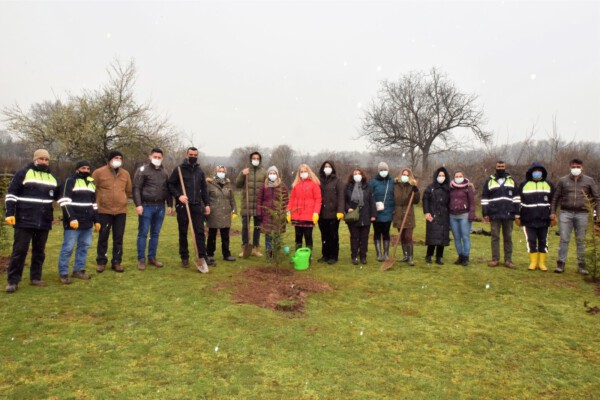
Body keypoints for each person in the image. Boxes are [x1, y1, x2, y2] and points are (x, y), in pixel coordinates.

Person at [4, 149, 58, 293]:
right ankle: (13, 281)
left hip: (44, 220)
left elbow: (58, 196)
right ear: (35, 159)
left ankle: (35, 277)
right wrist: (9, 213)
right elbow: (11, 194)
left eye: (46, 159)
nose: (44, 162)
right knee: (19, 251)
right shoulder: (23, 173)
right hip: (24, 219)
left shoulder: (52, 177)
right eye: (41, 159)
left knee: (39, 251)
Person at [550, 158, 600, 274]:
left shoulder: (589, 181)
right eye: (573, 167)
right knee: (564, 239)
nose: (576, 169)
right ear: (570, 167)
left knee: (581, 240)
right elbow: (555, 198)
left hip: (582, 213)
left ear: (582, 168)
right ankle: (560, 264)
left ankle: (582, 266)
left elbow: (596, 198)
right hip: (565, 213)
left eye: (578, 167)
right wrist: (553, 212)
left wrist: (598, 213)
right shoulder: (562, 180)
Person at [57, 160, 100, 284]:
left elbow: (94, 204)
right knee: (68, 248)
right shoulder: (70, 181)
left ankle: (79, 270)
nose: (86, 170)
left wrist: (97, 220)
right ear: (77, 169)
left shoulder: (91, 183)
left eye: (87, 168)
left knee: (84, 247)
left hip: (87, 223)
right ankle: (63, 273)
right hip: (74, 222)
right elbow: (64, 201)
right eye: (83, 168)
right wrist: (71, 218)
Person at [168, 147, 211, 268]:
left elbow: (204, 189)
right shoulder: (179, 170)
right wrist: (179, 196)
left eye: (195, 155)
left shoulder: (199, 171)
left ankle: (202, 256)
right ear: (186, 155)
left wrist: (206, 204)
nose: (193, 156)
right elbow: (170, 185)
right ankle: (184, 257)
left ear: (197, 156)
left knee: (200, 231)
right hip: (183, 205)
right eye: (190, 154)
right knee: (183, 231)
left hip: (197, 205)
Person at [133, 148, 173, 271]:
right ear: (150, 156)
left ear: (162, 158)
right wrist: (138, 204)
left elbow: (167, 189)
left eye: (159, 157)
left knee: (155, 233)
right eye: (155, 156)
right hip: (146, 206)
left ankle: (152, 258)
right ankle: (141, 259)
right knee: (143, 233)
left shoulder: (165, 172)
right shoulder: (142, 170)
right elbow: (136, 188)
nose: (157, 159)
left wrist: (170, 204)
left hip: (160, 207)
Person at [92, 150, 132, 273]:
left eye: (120, 158)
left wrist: (122, 200)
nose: (118, 160)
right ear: (109, 160)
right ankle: (101, 261)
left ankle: (117, 262)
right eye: (116, 157)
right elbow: (92, 189)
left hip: (120, 211)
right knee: (103, 236)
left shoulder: (125, 174)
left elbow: (128, 190)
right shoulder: (98, 173)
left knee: (118, 237)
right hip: (104, 210)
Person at [481, 161, 520, 268]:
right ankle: (495, 259)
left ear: (505, 167)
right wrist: (485, 213)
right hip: (494, 214)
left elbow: (517, 198)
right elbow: (485, 198)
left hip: (509, 214)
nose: (500, 168)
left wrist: (517, 212)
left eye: (502, 166)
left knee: (508, 237)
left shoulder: (511, 180)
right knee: (495, 237)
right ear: (495, 167)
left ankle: (508, 260)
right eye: (498, 166)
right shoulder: (489, 181)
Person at [516, 163, 555, 271]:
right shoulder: (524, 184)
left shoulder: (549, 185)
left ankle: (542, 263)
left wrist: (553, 216)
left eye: (539, 171)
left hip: (544, 218)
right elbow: (518, 201)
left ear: (543, 172)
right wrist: (517, 216)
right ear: (530, 172)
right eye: (535, 171)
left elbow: (553, 202)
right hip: (528, 218)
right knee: (531, 240)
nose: (537, 173)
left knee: (543, 241)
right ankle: (533, 262)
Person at [235, 151, 267, 257]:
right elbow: (238, 185)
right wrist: (242, 174)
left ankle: (255, 248)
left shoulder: (263, 172)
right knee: (245, 227)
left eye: (258, 158)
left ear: (260, 160)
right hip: (247, 204)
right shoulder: (245, 171)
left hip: (258, 205)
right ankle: (245, 248)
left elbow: (267, 187)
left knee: (257, 227)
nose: (256, 160)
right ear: (251, 159)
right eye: (254, 158)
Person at [344, 168, 377, 265]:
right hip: (353, 216)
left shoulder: (368, 187)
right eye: (355, 173)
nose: (357, 175)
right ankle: (354, 256)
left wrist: (373, 214)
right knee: (354, 237)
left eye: (359, 173)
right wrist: (347, 208)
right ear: (352, 176)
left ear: (362, 175)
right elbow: (344, 200)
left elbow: (372, 201)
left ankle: (363, 256)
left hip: (366, 215)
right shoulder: (348, 187)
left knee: (364, 238)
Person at [206, 165, 237, 263]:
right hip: (214, 213)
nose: (221, 173)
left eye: (223, 171)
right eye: (219, 171)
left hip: (225, 213)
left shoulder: (228, 184)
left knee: (225, 235)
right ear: (216, 172)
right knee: (212, 234)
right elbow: (205, 198)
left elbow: (232, 198)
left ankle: (226, 254)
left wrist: (234, 210)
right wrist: (205, 209)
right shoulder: (210, 184)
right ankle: (210, 253)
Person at [287, 164, 322, 251]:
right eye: (301, 172)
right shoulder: (296, 185)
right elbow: (292, 199)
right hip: (296, 215)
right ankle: (298, 255)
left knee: (308, 236)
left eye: (305, 171)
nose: (303, 173)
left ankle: (308, 256)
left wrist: (316, 212)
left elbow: (318, 199)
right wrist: (288, 211)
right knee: (298, 237)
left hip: (309, 216)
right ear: (299, 173)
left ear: (309, 172)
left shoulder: (314, 184)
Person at [256, 166, 289, 258]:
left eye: (274, 173)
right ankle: (269, 253)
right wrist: (259, 212)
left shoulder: (282, 186)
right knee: (268, 235)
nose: (272, 175)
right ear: (268, 175)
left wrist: (286, 213)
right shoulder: (264, 186)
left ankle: (277, 252)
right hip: (266, 214)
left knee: (277, 234)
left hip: (278, 214)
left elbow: (286, 200)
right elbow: (259, 200)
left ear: (277, 175)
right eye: (270, 173)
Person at [317, 161, 345, 265]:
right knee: (324, 236)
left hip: (333, 214)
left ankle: (334, 256)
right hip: (322, 214)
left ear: (332, 168)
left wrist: (340, 211)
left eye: (329, 166)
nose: (327, 168)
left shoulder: (338, 181)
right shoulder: (319, 181)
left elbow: (341, 197)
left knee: (333, 236)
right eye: (325, 166)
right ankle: (325, 255)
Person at [423, 167, 451, 265]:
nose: (441, 177)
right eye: (440, 175)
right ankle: (429, 256)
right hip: (432, 214)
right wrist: (426, 212)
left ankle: (439, 257)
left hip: (444, 215)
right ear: (436, 176)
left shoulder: (448, 188)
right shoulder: (430, 187)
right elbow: (425, 199)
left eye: (443, 175)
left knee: (442, 237)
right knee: (432, 236)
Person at [393, 168, 420, 266]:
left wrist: (416, 191)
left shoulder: (412, 186)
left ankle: (410, 258)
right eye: (403, 174)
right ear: (400, 175)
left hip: (408, 213)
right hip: (398, 213)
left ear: (410, 176)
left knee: (408, 236)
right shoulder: (395, 185)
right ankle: (405, 255)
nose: (405, 176)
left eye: (407, 175)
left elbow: (416, 201)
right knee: (402, 236)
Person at [449, 170, 476, 266]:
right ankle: (460, 256)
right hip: (452, 215)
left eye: (460, 176)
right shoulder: (451, 188)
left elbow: (472, 202)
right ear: (454, 177)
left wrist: (472, 214)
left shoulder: (468, 188)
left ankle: (466, 257)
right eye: (456, 176)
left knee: (465, 237)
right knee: (456, 238)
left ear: (463, 177)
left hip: (464, 215)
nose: (458, 177)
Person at [369, 161, 395, 262]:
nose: (383, 171)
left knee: (386, 232)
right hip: (376, 212)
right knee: (377, 232)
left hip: (388, 211)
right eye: (381, 170)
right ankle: (379, 254)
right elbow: (370, 196)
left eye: (385, 170)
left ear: (388, 170)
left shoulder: (392, 181)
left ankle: (386, 254)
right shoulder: (373, 182)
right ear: (378, 171)